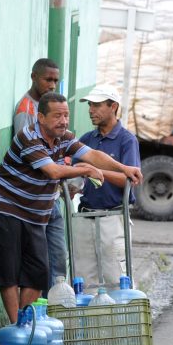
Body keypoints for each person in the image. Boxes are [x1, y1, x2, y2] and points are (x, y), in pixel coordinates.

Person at [0, 92, 143, 323]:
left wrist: (124, 168)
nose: (63, 121)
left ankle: (25, 323)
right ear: (41, 117)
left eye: (66, 115)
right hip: (9, 207)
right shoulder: (29, 137)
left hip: (37, 213)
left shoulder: (64, 138)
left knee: (38, 274)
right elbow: (54, 171)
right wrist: (85, 170)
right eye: (57, 116)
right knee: (8, 274)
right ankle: (16, 325)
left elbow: (91, 154)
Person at [74, 85, 141, 288]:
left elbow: (129, 179)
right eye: (90, 105)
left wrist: (93, 171)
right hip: (84, 217)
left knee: (117, 280)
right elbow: (75, 173)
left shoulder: (127, 140)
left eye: (96, 105)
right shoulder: (87, 139)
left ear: (113, 106)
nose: (91, 110)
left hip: (113, 218)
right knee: (83, 281)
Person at [13, 58, 66, 296]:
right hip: (33, 198)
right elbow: (33, 155)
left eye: (56, 80)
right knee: (39, 262)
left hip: (52, 195)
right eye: (48, 79)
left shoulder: (52, 107)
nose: (53, 85)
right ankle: (41, 312)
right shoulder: (27, 111)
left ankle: (58, 306)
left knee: (58, 258)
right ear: (34, 77)